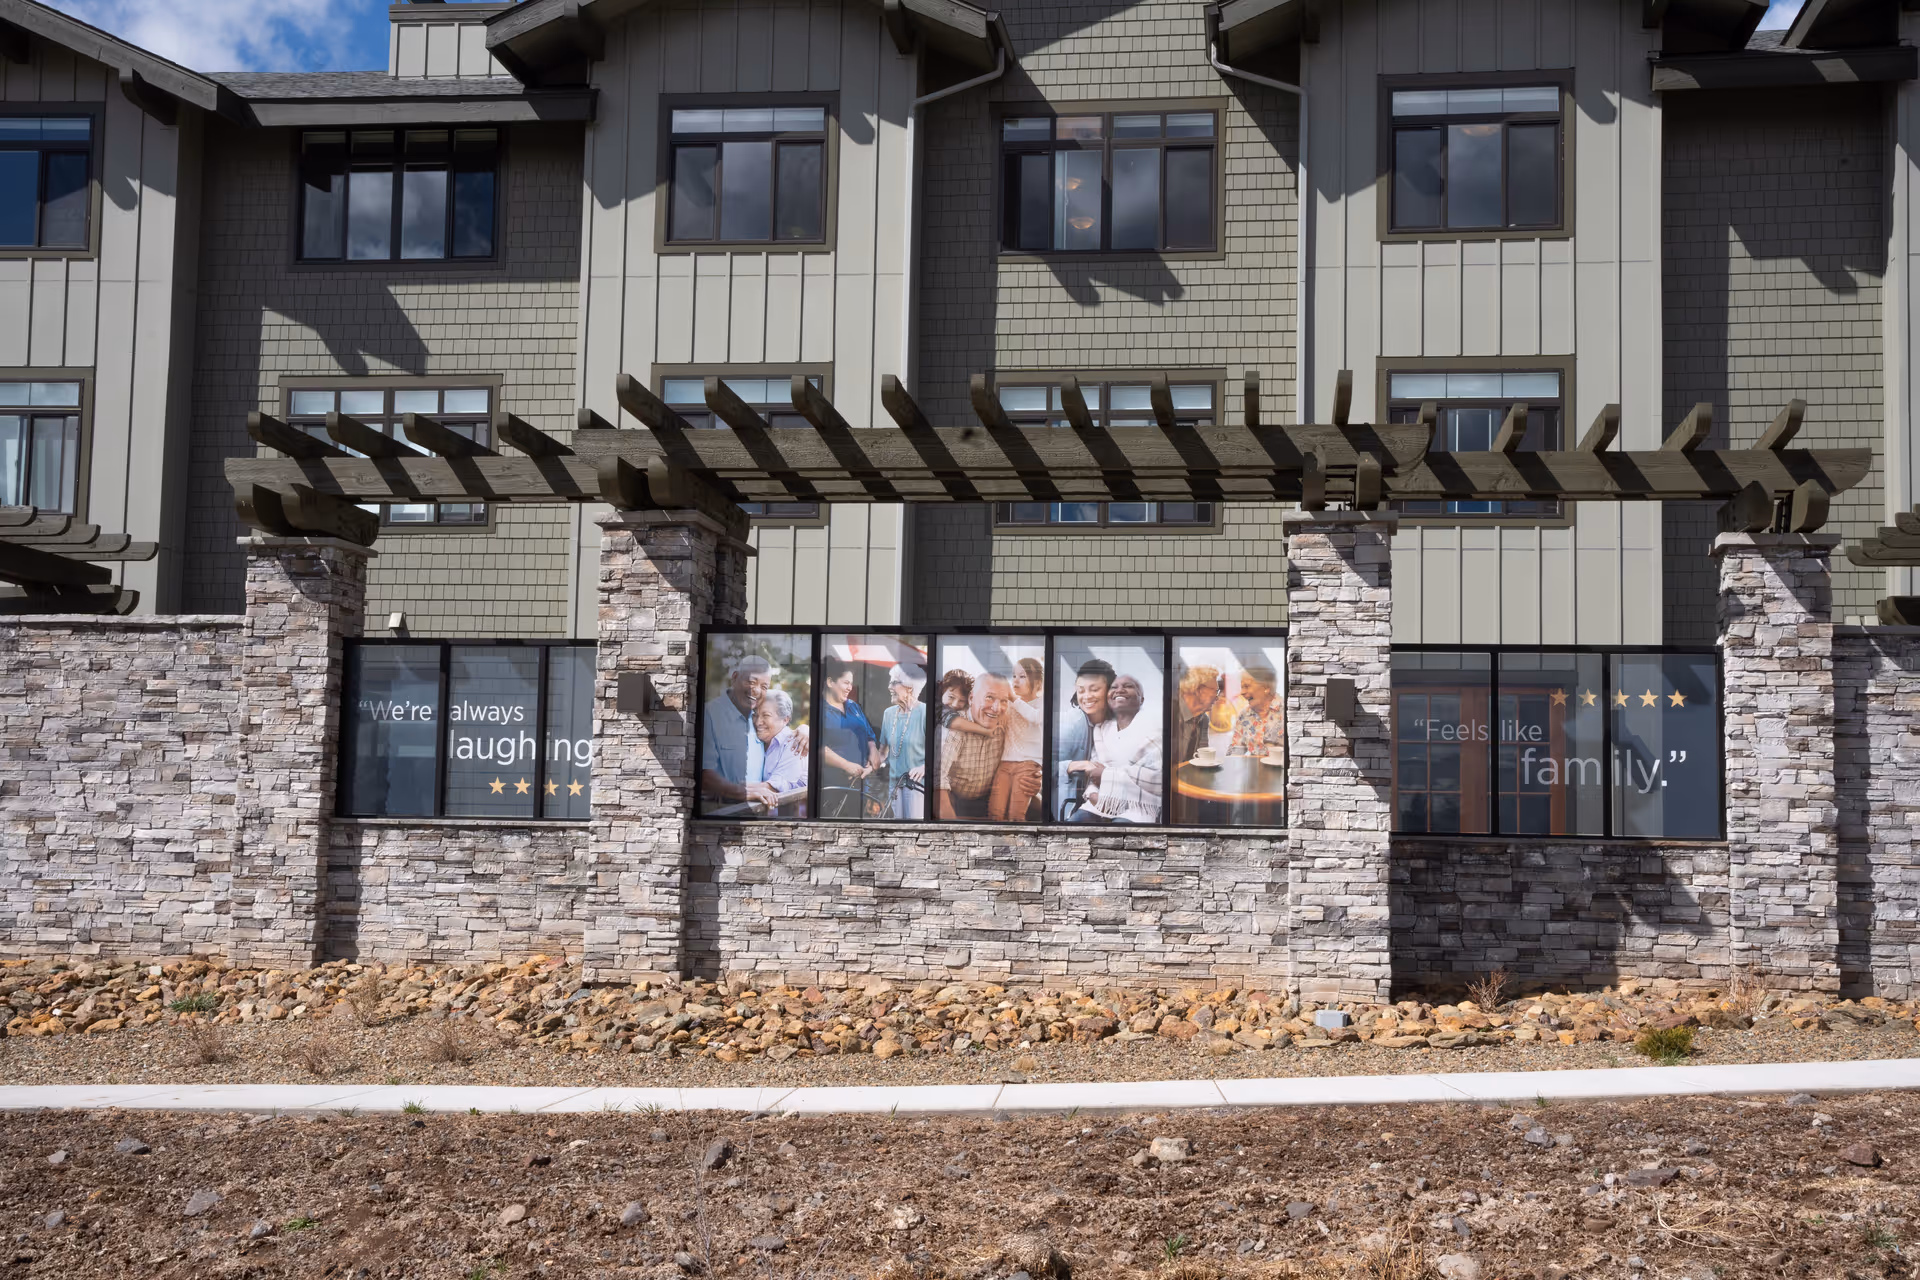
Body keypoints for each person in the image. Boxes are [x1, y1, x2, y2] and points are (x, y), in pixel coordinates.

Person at [1068, 673, 1162, 824]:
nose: (1119, 690)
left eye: (1128, 686)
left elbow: (1157, 777)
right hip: (1099, 802)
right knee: (1073, 826)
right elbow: (1093, 770)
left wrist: (1106, 774)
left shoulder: (1153, 731)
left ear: (1141, 699)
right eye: (1114, 687)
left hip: (1137, 807)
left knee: (1120, 832)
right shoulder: (1101, 731)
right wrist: (1093, 795)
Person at [937, 666, 1012, 819]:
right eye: (989, 698)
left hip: (990, 798)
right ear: (971, 699)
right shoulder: (954, 725)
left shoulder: (1007, 722)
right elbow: (938, 779)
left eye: (1004, 700)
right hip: (955, 798)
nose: (997, 708)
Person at [700, 654, 771, 809]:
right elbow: (704, 774)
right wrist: (742, 792)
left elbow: (784, 737)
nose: (757, 691)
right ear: (735, 677)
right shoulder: (709, 714)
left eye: (764, 687)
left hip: (757, 810)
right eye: (751, 682)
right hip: (720, 813)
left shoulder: (760, 716)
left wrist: (803, 730)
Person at [819, 657, 881, 816]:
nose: (850, 687)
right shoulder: (819, 710)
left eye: (851, 683)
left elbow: (869, 736)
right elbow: (818, 748)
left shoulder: (853, 706)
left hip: (860, 785)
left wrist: (873, 752)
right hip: (833, 787)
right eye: (846, 682)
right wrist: (847, 765)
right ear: (830, 682)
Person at [1056, 658, 1114, 820]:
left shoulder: (1112, 723)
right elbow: (1044, 768)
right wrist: (1079, 764)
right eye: (1081, 690)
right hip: (1068, 809)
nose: (1087, 696)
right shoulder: (1072, 723)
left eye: (1094, 689)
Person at [988, 657, 1044, 822]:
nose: (1016, 681)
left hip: (1027, 765)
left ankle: (1018, 847)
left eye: (1022, 676)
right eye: (1013, 676)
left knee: (1016, 815)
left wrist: (1013, 698)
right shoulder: (1010, 704)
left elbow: (1035, 718)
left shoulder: (1042, 704)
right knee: (994, 814)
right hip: (1004, 764)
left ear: (1038, 682)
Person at [879, 662, 927, 819]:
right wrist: (866, 767)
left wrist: (924, 767)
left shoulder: (925, 712)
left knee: (913, 832)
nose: (888, 686)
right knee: (897, 832)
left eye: (894, 682)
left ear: (909, 687)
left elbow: (941, 752)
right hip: (894, 787)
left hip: (917, 785)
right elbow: (882, 752)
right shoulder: (889, 714)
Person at [751, 688, 808, 816]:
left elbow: (772, 788)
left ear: (785, 719)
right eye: (756, 714)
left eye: (766, 715)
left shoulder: (795, 744)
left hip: (790, 825)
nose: (758, 722)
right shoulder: (759, 741)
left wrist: (728, 789)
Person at [1229, 665, 1284, 759]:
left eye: (1246, 686)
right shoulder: (1244, 715)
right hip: (1255, 770)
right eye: (1241, 687)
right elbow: (1236, 750)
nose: (1242, 692)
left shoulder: (1288, 711)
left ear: (1266, 687)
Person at [1173, 664, 1220, 765]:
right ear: (1199, 690)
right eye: (1215, 691)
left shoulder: (1203, 719)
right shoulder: (1171, 714)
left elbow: (1203, 757)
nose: (1217, 697)